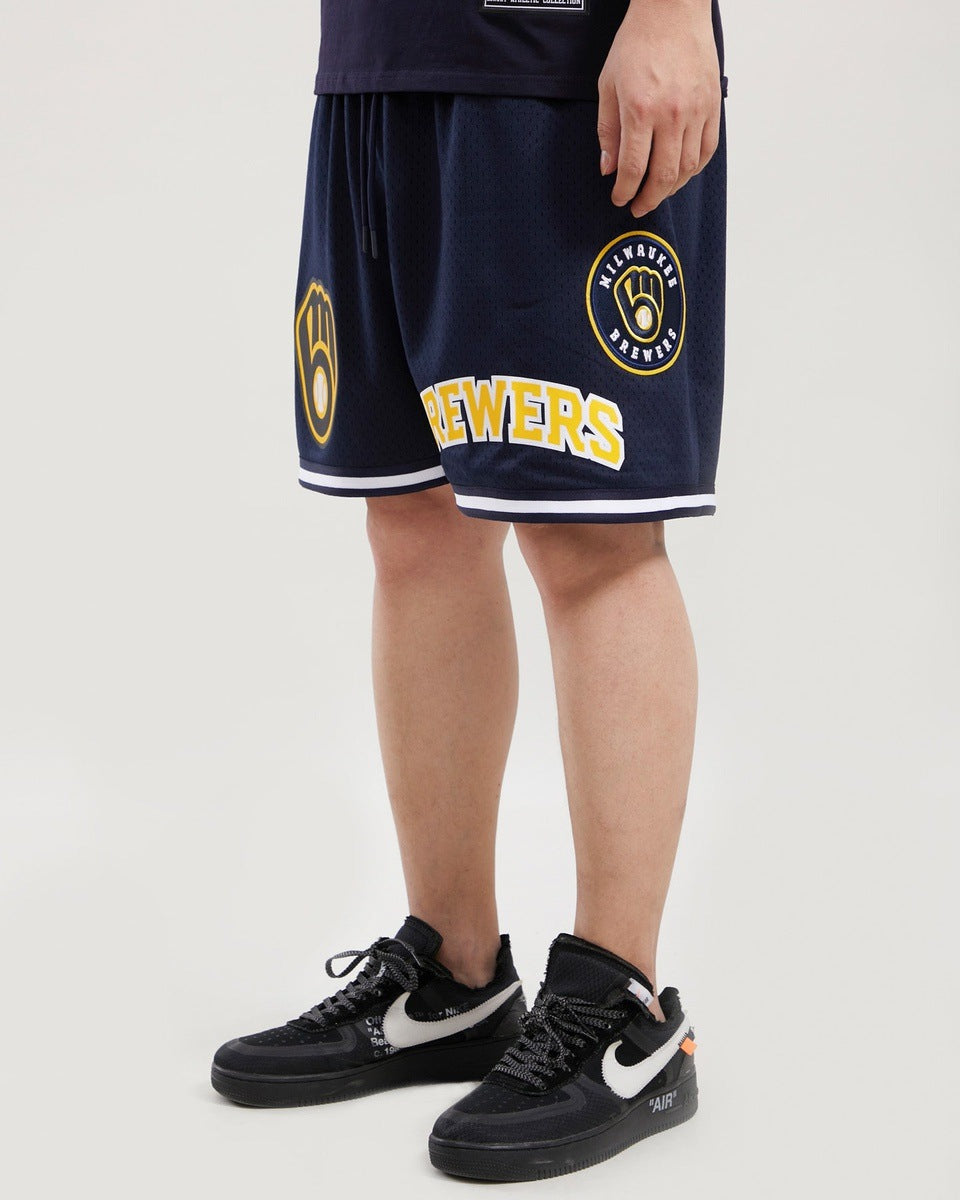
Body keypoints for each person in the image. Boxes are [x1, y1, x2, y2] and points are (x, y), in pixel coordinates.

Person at [212, 0, 727, 1182]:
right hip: (378, 68)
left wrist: (670, 13)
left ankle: (625, 1011)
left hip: (557, 64)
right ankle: (453, 977)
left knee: (589, 534)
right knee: (414, 520)